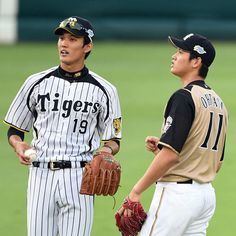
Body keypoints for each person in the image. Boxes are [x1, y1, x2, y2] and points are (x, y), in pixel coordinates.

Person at [4, 16, 122, 236]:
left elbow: (113, 139)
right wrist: (18, 145)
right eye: (61, 38)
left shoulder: (105, 90)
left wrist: (105, 151)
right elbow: (15, 130)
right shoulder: (36, 82)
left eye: (72, 39)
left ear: (87, 46)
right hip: (40, 176)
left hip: (80, 177)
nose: (63, 44)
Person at [119, 33, 228, 235]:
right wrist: (164, 147)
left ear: (196, 61)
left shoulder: (184, 97)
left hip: (178, 196)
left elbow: (170, 156)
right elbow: (215, 160)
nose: (174, 56)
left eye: (180, 51)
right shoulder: (218, 102)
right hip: (205, 197)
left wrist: (136, 191)